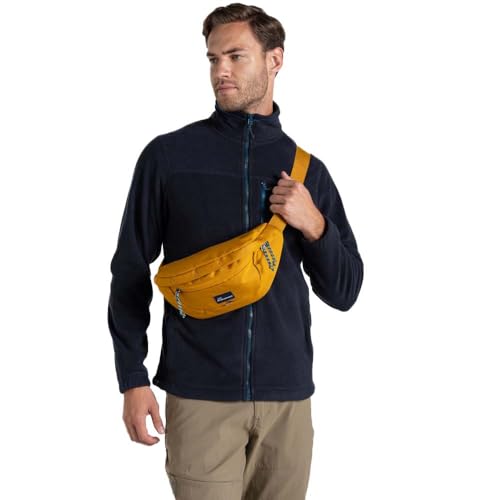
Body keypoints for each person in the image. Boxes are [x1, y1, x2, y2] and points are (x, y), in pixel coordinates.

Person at [107, 3, 363, 499]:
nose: (220, 71)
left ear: (275, 60)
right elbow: (130, 270)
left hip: (288, 401)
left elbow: (345, 290)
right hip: (199, 395)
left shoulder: (307, 170)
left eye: (236, 56)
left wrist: (315, 224)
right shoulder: (168, 157)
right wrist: (132, 377)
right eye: (213, 58)